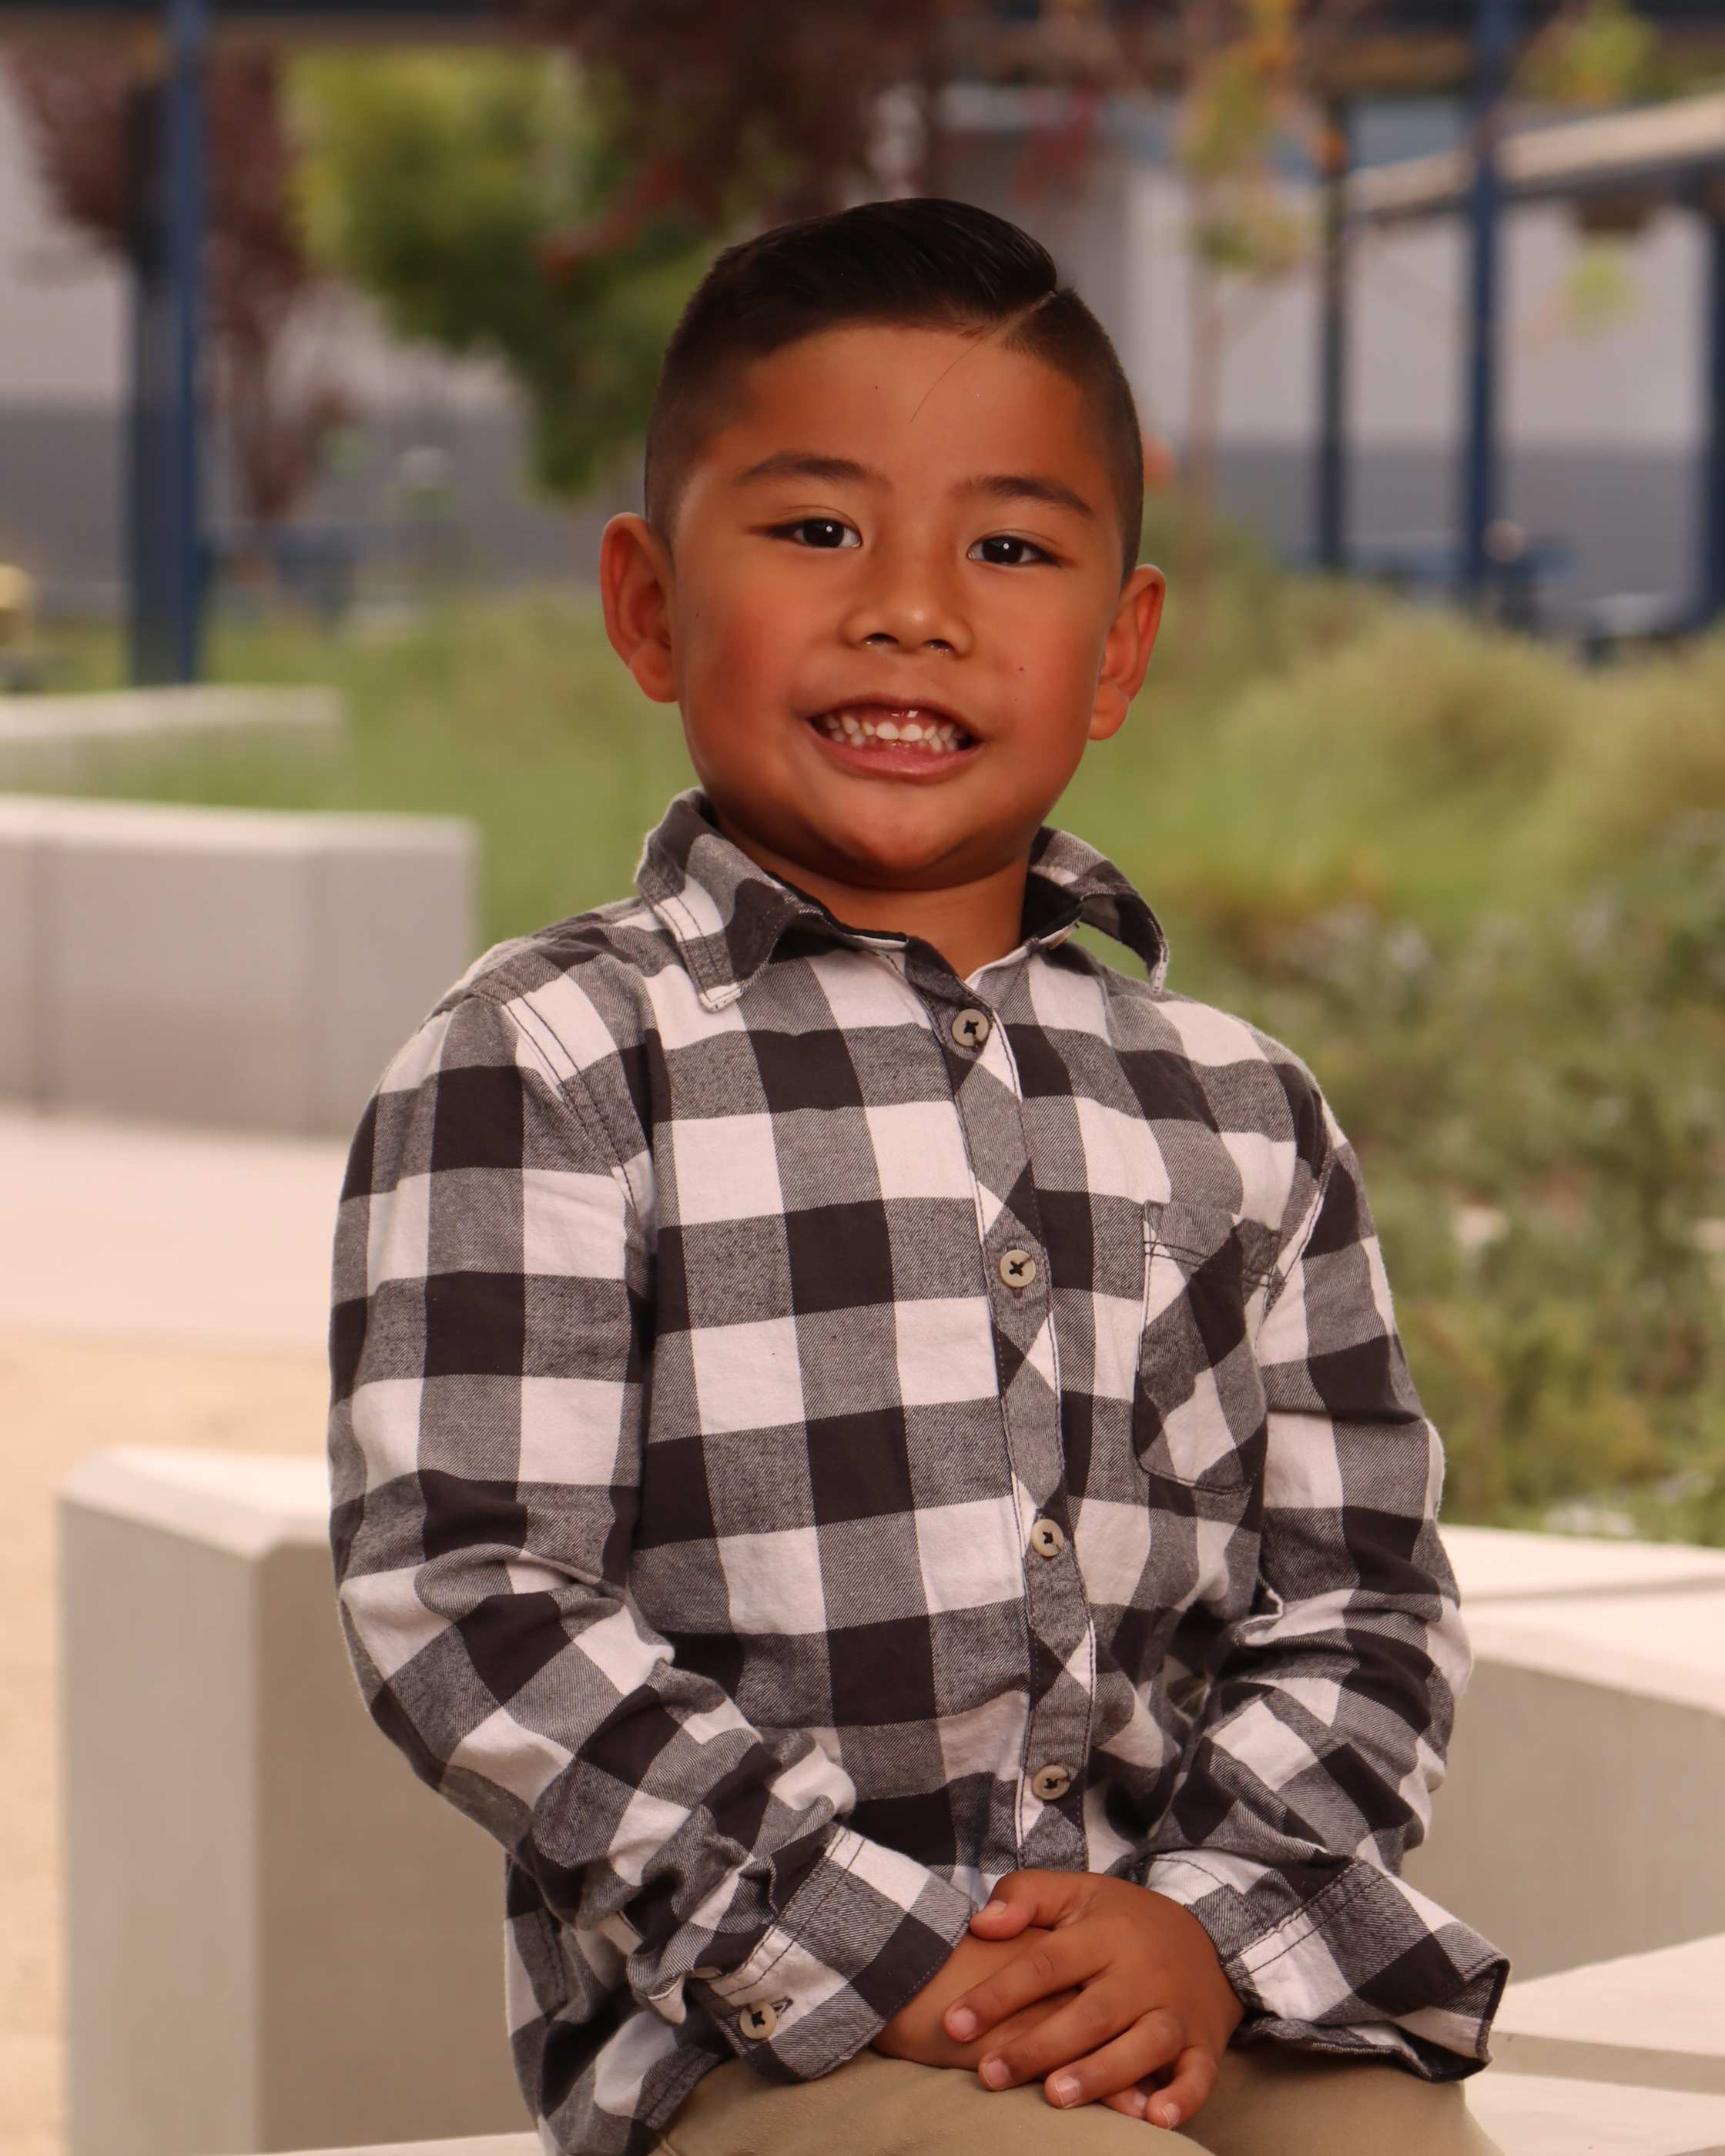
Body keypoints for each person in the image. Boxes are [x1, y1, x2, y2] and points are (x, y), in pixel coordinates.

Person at [328, 198, 1507, 2156]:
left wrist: (1205, 1927)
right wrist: (880, 1954)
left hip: (1180, 1978)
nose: (911, 608)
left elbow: (1360, 1598)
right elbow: (474, 1595)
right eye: (816, 530)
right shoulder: (547, 1062)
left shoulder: (1242, 1109)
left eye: (1010, 548)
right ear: (647, 602)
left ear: (1118, 648)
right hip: (761, 2030)